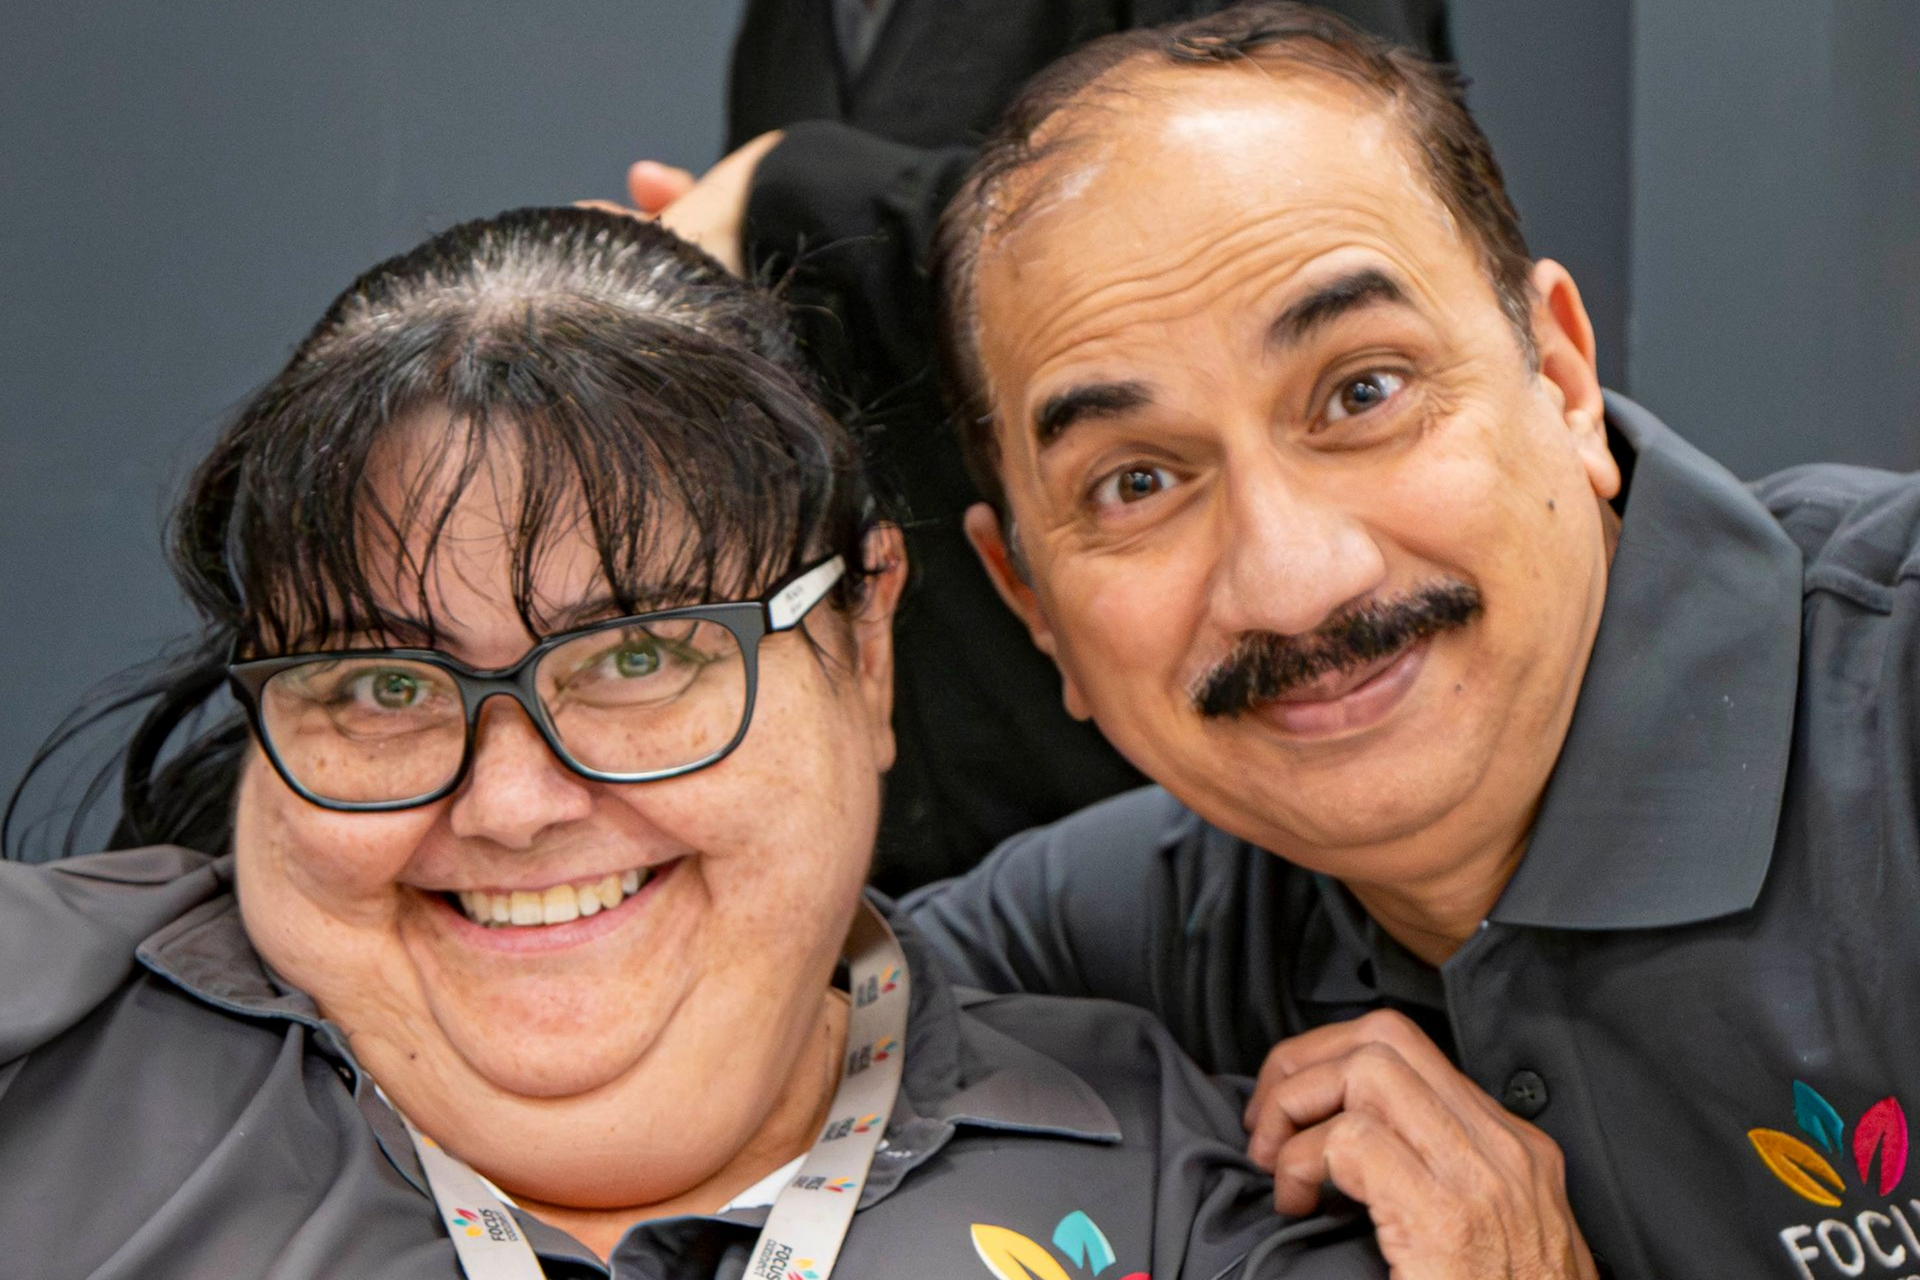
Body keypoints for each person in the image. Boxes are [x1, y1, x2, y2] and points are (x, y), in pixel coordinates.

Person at [0, 207, 1391, 1279]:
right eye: (378, 687)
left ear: (866, 642)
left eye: (643, 656)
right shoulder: (39, 1052)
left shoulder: (1205, 1195)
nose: (514, 802)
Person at [900, 4, 1920, 1278]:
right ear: (1031, 602)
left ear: (1558, 376)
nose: (1290, 581)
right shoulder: (1105, 936)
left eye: (1362, 392)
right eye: (1138, 482)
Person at [620, 0, 1450, 892]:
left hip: (1202, 830)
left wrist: (793, 192)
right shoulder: (791, 25)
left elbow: (1307, 216)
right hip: (941, 820)